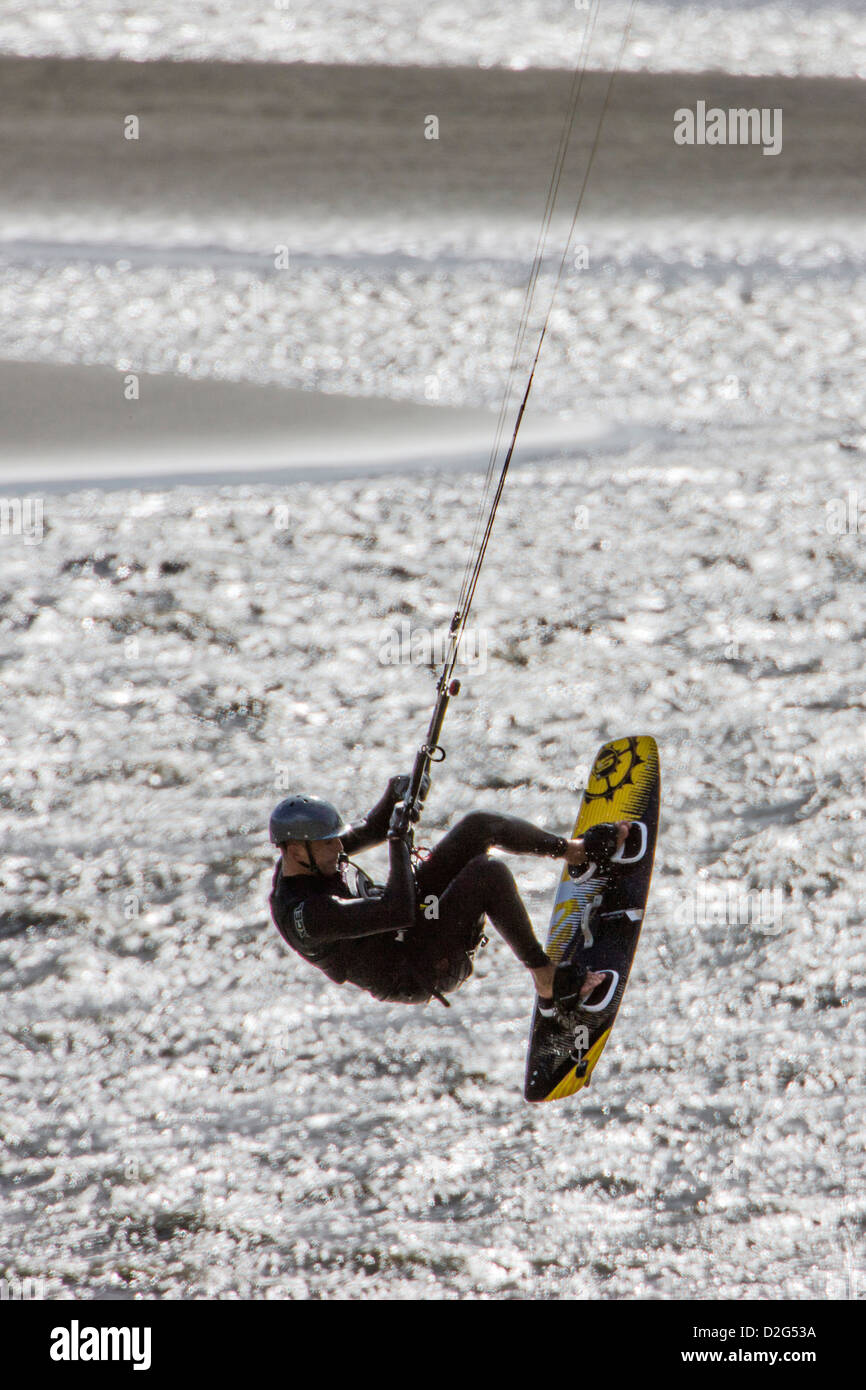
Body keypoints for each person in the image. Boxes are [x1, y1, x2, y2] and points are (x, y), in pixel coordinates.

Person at [268, 775, 629, 1013]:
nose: (338, 847)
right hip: (415, 968)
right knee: (487, 874)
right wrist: (398, 841)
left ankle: (575, 852)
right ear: (296, 850)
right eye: (328, 843)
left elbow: (371, 828)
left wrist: (396, 794)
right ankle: (546, 976)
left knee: (479, 826)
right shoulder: (307, 914)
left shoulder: (315, 855)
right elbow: (396, 911)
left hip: (411, 925)